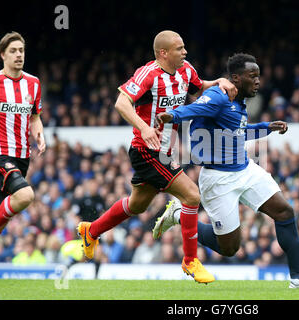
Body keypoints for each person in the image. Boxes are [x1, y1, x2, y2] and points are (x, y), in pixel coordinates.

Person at [77, 30, 237, 284]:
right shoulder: (148, 74)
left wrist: (217, 81)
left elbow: (198, 87)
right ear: (163, 53)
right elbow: (121, 103)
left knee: (137, 205)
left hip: (166, 150)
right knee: (192, 195)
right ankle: (190, 261)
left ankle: (91, 230)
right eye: (179, 48)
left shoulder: (186, 71)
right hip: (147, 151)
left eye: (184, 48)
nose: (185, 52)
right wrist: (144, 126)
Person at [153, 53, 299, 289]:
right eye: (252, 76)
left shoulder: (239, 100)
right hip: (218, 179)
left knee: (284, 211)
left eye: (258, 76)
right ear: (235, 77)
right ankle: (179, 216)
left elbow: (239, 131)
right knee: (230, 248)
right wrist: (172, 115)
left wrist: (267, 128)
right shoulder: (218, 95)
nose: (257, 81)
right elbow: (195, 109)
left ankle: (298, 279)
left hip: (246, 170)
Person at [0, 32, 46, 257]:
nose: (18, 55)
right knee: (25, 196)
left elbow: (35, 117)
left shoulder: (33, 83)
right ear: (3, 55)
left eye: (21, 50)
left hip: (22, 155)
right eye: (13, 51)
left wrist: (40, 135)